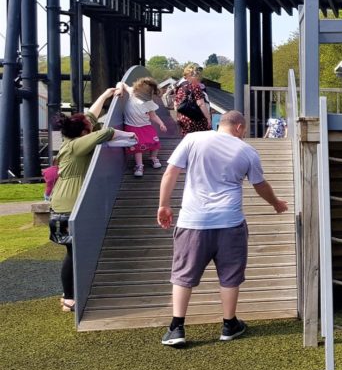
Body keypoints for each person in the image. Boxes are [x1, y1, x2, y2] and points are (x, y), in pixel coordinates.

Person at [157, 110, 288, 346]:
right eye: (244, 130)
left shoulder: (193, 139)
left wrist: (164, 205)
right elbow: (260, 185)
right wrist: (276, 203)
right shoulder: (246, 150)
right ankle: (229, 324)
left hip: (192, 221)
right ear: (239, 127)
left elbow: (171, 172)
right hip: (230, 221)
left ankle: (177, 327)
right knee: (230, 275)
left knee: (183, 274)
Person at [50, 87, 137, 312]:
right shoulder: (78, 146)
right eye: (88, 129)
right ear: (82, 134)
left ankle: (69, 291)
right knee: (73, 252)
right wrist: (128, 135)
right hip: (68, 206)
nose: (91, 128)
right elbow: (104, 133)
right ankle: (68, 297)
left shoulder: (73, 139)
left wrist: (107, 95)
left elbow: (91, 115)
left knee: (75, 250)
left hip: (67, 203)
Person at [122, 78, 168, 177]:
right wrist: (118, 89)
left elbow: (153, 115)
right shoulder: (132, 92)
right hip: (132, 126)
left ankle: (153, 158)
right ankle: (139, 165)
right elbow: (121, 83)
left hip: (145, 125)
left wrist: (161, 123)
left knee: (155, 142)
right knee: (137, 146)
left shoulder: (148, 102)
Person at [173, 63, 211, 135]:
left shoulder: (180, 88)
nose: (199, 79)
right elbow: (201, 104)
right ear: (193, 76)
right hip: (196, 120)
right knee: (199, 141)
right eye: (197, 77)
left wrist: (178, 117)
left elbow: (176, 104)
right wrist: (208, 118)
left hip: (184, 120)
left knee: (188, 141)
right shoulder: (195, 87)